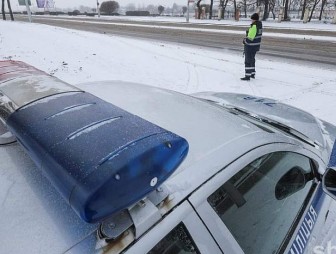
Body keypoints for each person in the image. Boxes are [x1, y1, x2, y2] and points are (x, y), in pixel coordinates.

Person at [241, 13, 263, 81]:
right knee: (252, 60)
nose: (251, 20)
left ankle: (247, 76)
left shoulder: (254, 26)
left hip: (250, 46)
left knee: (248, 61)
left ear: (254, 19)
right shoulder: (259, 26)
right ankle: (252, 73)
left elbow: (250, 38)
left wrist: (245, 41)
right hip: (256, 46)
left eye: (252, 19)